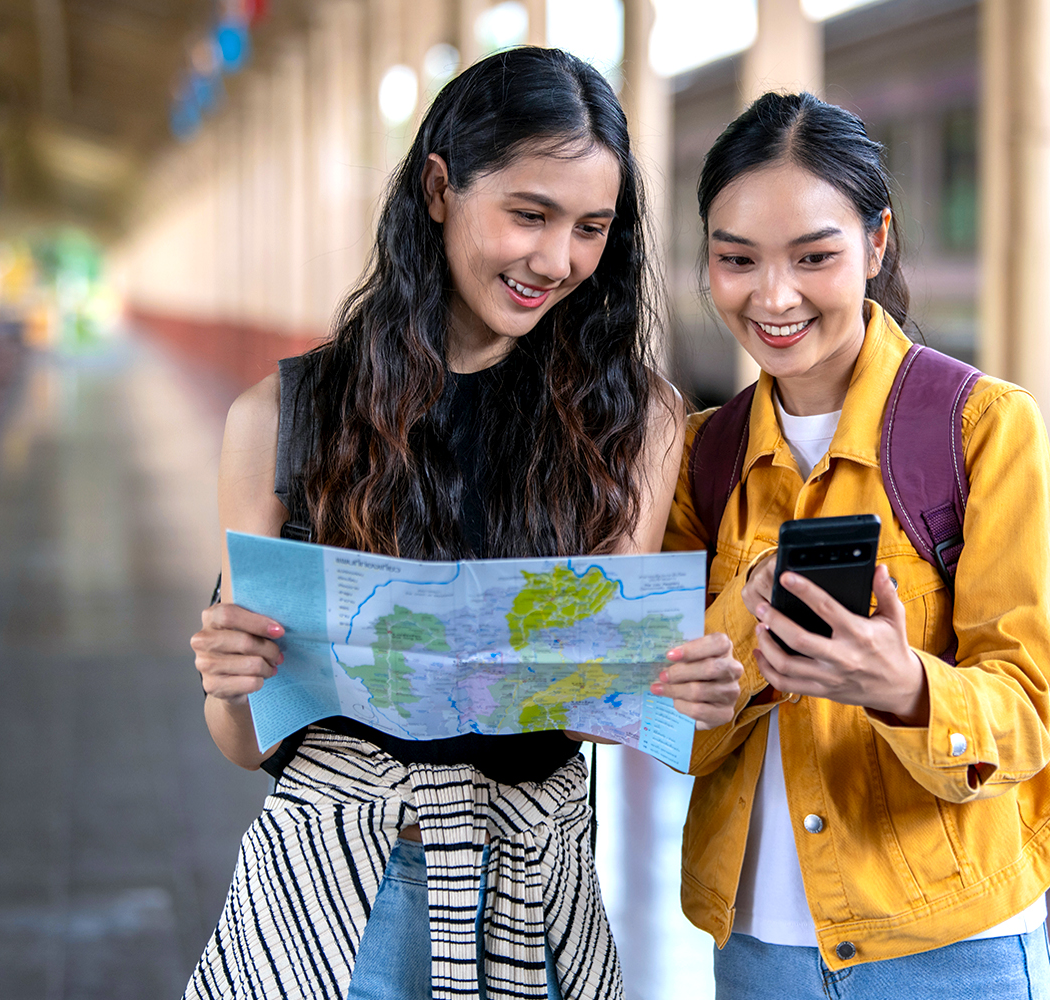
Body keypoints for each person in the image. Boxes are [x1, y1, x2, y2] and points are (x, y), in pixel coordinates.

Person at [187, 48, 742, 1000]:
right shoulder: (282, 419)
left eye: (590, 229)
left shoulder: (635, 421)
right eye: (528, 214)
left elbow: (595, 710)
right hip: (336, 895)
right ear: (439, 189)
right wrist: (230, 683)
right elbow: (248, 745)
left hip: (536, 887)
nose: (556, 260)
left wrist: (675, 687)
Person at [665, 92, 1050, 999]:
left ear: (876, 243)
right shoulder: (701, 457)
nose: (772, 297)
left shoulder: (984, 428)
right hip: (756, 952)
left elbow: (1024, 718)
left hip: (956, 952)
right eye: (735, 259)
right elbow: (674, 731)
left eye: (813, 257)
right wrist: (744, 630)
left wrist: (900, 686)